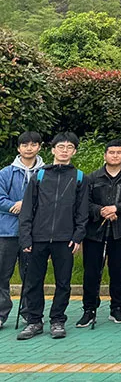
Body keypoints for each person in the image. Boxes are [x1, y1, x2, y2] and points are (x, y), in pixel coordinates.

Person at [15, 133, 88, 341]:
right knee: (33, 281)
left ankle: (57, 320)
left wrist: (78, 235)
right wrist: (25, 237)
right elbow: (27, 209)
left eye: (69, 147)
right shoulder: (39, 175)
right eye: (60, 147)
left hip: (65, 239)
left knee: (63, 282)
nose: (64, 151)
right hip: (37, 237)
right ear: (53, 150)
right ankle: (34, 321)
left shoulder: (80, 177)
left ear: (74, 151)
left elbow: (82, 211)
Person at [78, 140, 121, 328]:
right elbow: (85, 202)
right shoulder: (92, 177)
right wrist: (101, 211)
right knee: (91, 272)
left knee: (118, 271)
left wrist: (117, 208)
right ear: (105, 155)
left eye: (119, 152)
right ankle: (89, 309)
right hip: (95, 233)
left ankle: (117, 308)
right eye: (111, 152)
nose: (115, 155)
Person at [0, 132, 43, 330]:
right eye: (25, 145)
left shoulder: (45, 173)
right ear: (18, 148)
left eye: (33, 144)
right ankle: (1, 314)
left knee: (31, 276)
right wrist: (13, 206)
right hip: (6, 232)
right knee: (2, 275)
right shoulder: (5, 173)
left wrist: (25, 206)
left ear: (39, 147)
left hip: (34, 232)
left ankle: (30, 314)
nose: (29, 148)